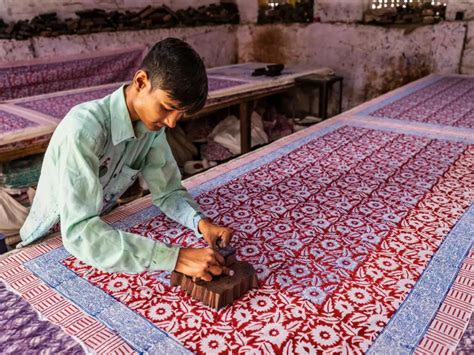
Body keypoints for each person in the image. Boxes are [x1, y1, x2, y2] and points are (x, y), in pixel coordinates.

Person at [20, 38, 232, 281]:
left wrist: (201, 223)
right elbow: (78, 231)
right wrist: (175, 258)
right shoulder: (84, 130)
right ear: (141, 82)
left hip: (99, 230)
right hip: (53, 240)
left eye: (180, 114)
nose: (173, 122)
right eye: (166, 107)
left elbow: (168, 192)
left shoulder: (151, 130)